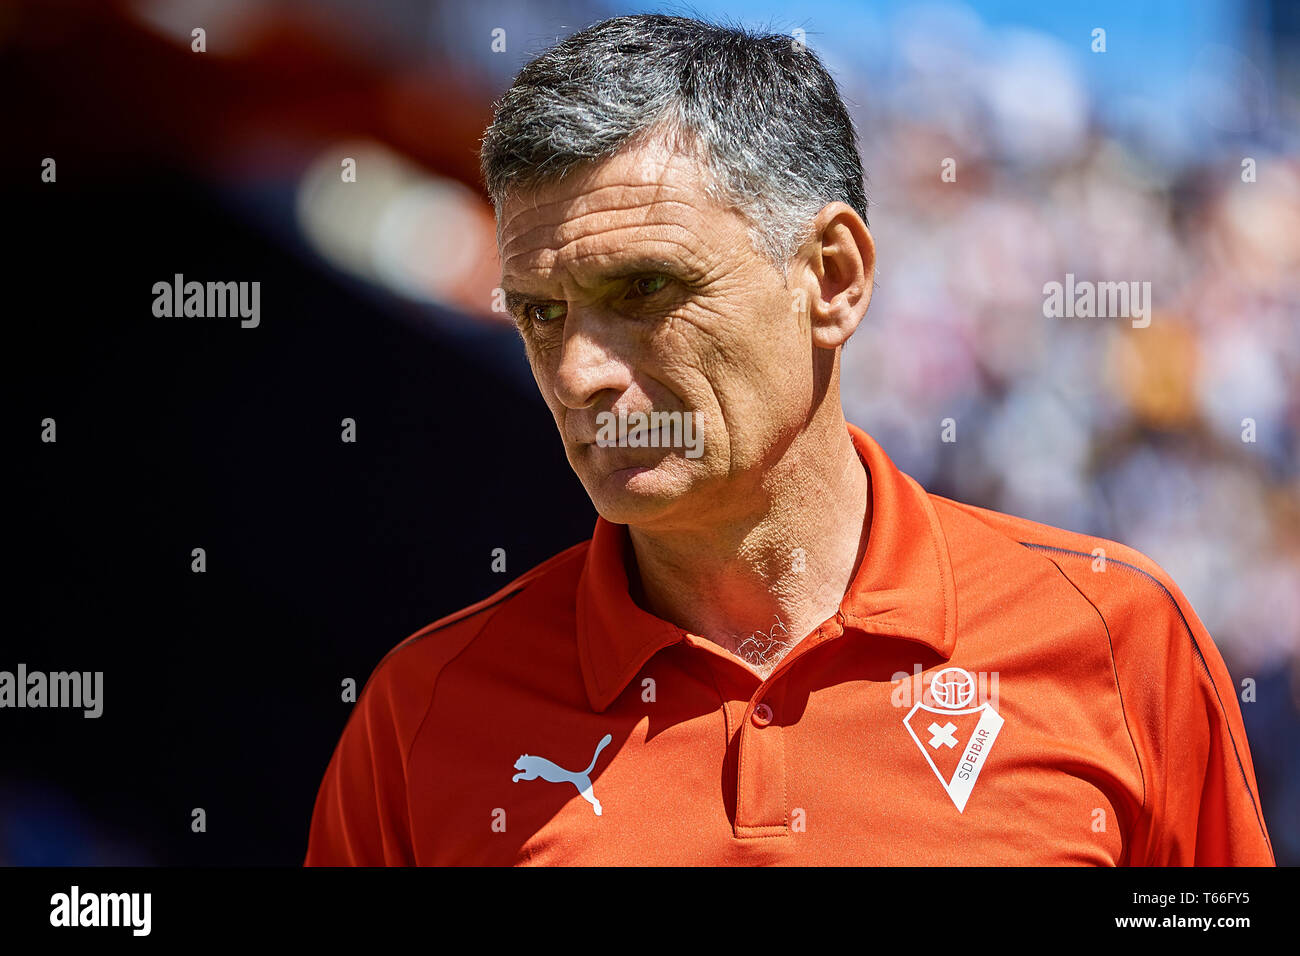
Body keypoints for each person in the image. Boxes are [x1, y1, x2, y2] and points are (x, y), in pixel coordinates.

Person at [304, 14, 1274, 865]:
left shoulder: (1120, 643)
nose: (577, 372)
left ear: (833, 275)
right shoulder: (422, 713)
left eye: (643, 290)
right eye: (541, 312)